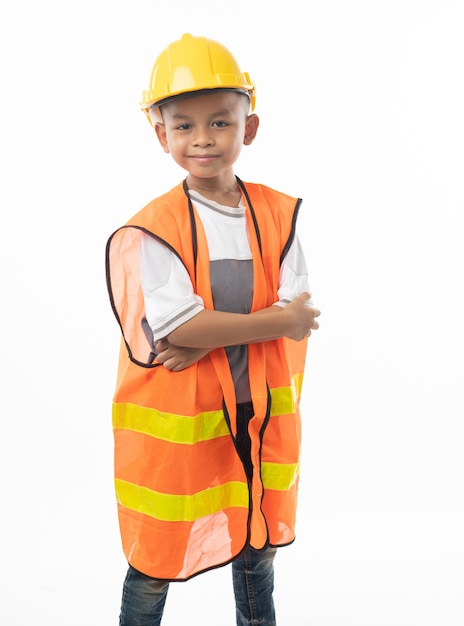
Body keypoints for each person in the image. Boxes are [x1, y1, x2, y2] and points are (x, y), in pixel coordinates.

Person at [105, 32, 321, 626]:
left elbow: (295, 321)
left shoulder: (280, 214)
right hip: (180, 432)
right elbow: (279, 318)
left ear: (249, 127)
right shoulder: (156, 227)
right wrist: (271, 321)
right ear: (161, 135)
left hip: (259, 416)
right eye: (184, 126)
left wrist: (202, 334)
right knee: (153, 561)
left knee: (257, 550)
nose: (203, 139)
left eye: (220, 123)